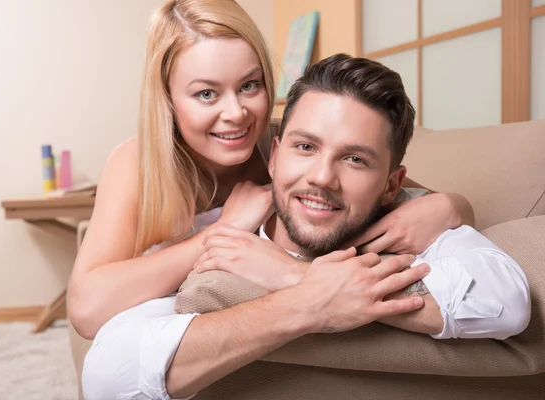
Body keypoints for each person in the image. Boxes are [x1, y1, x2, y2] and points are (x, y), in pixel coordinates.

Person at [71, 0, 474, 398]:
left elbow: (392, 189)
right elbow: (88, 310)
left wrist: (453, 205)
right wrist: (223, 232)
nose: (237, 113)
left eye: (250, 85)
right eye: (207, 94)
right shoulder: (139, 162)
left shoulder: (287, 146)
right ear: (168, 99)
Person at [192, 53, 531, 340]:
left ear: (391, 185)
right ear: (276, 157)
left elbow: (508, 304)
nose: (322, 177)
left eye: (355, 159)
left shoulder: (416, 225)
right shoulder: (222, 227)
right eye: (306, 147)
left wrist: (294, 277)